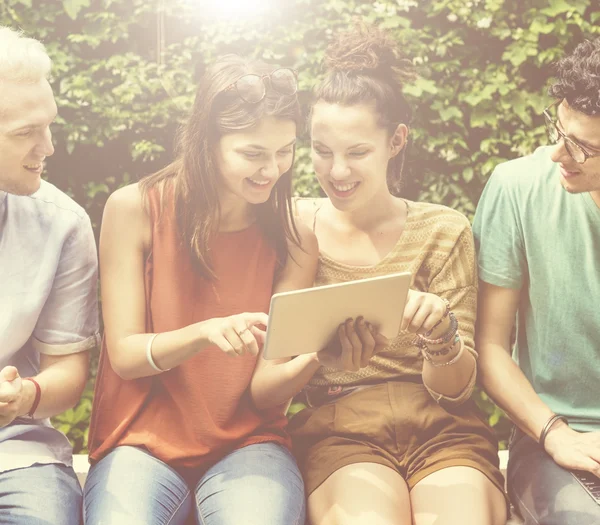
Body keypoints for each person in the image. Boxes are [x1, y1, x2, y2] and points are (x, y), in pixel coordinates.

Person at [250, 24, 507, 525]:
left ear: (396, 141)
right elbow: (265, 388)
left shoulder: (443, 229)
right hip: (340, 428)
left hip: (442, 427)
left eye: (357, 152)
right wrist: (316, 357)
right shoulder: (294, 227)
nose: (337, 171)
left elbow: (457, 388)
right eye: (322, 151)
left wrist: (442, 336)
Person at [83, 54, 318, 525]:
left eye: (285, 151)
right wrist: (204, 333)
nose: (271, 170)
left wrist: (318, 356)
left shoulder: (294, 237)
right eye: (252, 153)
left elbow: (266, 392)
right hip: (139, 443)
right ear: (207, 142)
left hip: (250, 444)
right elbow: (126, 356)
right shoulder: (135, 208)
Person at [473, 37, 600, 525]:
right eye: (559, 128)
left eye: (582, 147)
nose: (557, 154)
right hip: (549, 442)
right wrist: (555, 434)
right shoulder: (516, 189)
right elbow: (489, 348)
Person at [0, 26, 99, 524]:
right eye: (24, 132)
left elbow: (67, 373)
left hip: (16, 453)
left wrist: (23, 398)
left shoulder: (64, 224)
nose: (49, 146)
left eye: (48, 125)